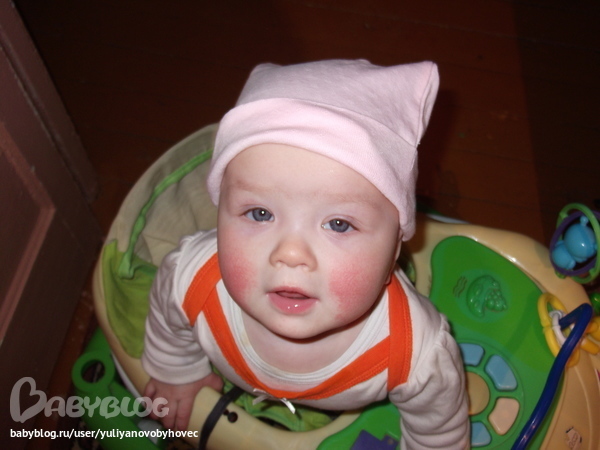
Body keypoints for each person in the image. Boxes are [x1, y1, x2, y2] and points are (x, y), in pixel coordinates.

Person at [141, 59, 470, 448]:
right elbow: (168, 323)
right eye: (260, 214)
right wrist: (177, 372)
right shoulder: (190, 279)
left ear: (395, 249)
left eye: (339, 224)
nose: (291, 254)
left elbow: (438, 430)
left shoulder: (414, 353)